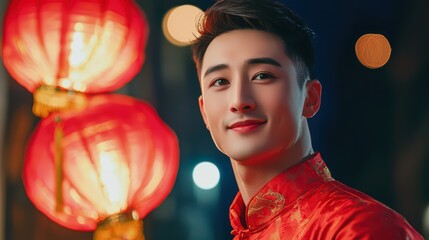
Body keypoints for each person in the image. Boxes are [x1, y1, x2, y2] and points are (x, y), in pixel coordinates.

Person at [191, 0, 424, 239]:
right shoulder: (245, 230)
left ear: (311, 98)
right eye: (220, 82)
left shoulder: (359, 227)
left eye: (262, 76)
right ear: (204, 112)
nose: (239, 100)